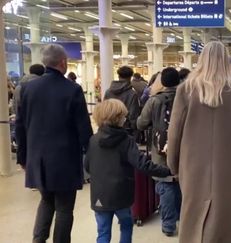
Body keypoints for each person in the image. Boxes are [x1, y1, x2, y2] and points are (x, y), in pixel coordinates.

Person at [167, 41, 231, 243]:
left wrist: (173, 164)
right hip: (229, 170)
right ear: (225, 61)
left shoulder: (186, 89)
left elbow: (174, 132)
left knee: (192, 216)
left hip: (192, 166)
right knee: (224, 221)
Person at [15, 44, 93, 243]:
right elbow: (83, 128)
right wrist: (91, 157)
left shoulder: (28, 88)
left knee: (46, 201)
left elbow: (20, 125)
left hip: (37, 159)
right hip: (64, 160)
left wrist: (23, 157)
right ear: (63, 62)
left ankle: (38, 240)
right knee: (65, 208)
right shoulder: (72, 90)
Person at [85, 99, 171, 243]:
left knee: (103, 232)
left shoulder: (93, 140)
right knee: (126, 225)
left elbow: (87, 166)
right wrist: (167, 171)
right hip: (121, 194)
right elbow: (142, 164)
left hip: (99, 194)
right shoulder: (126, 140)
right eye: (123, 116)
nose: (125, 119)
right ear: (118, 118)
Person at [137, 67, 182, 237]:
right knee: (180, 181)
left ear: (162, 82)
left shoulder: (154, 101)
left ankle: (169, 224)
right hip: (184, 146)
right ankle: (180, 217)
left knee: (165, 182)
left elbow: (141, 123)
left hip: (161, 147)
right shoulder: (187, 97)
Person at [104, 66, 140, 134]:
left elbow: (104, 111)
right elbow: (133, 116)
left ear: (118, 76)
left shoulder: (108, 92)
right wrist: (134, 129)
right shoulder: (132, 94)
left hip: (109, 129)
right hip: (125, 130)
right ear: (130, 77)